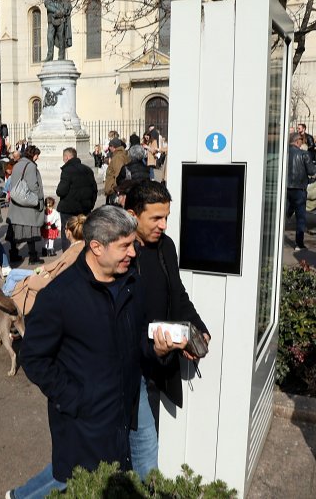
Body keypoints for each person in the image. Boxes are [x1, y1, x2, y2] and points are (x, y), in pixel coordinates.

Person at [9, 206, 185, 498]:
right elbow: (33, 357)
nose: (133, 252)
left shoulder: (133, 284)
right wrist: (74, 398)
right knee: (76, 480)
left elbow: (140, 337)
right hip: (84, 421)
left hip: (127, 408)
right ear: (96, 247)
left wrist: (157, 348)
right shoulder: (59, 296)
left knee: (129, 477)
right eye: (125, 246)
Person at [123, 180, 211, 480]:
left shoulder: (165, 246)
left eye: (166, 217)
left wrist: (197, 328)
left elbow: (177, 293)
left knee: (139, 448)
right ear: (133, 215)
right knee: (142, 453)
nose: (163, 225)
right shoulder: (119, 252)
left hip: (156, 365)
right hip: (126, 367)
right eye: (156, 218)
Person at [6, 145, 45, 265]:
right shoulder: (31, 166)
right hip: (27, 203)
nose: (37, 157)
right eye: (37, 154)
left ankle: (13, 254)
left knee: (15, 229)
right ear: (32, 154)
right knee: (30, 229)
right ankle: (33, 257)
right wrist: (38, 198)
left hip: (16, 201)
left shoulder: (17, 164)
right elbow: (33, 185)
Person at [55, 147, 97, 251]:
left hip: (69, 209)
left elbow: (61, 191)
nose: (64, 160)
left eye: (64, 157)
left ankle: (68, 256)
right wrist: (90, 204)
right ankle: (84, 254)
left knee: (68, 233)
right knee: (83, 232)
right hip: (85, 208)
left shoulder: (67, 170)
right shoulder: (88, 169)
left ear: (67, 157)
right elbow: (94, 190)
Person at [286, 135, 316, 252]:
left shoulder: (285, 153)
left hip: (286, 188)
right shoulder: (304, 154)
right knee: (300, 217)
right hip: (299, 189)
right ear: (297, 141)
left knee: (285, 212)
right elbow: (312, 171)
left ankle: (277, 235)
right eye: (301, 141)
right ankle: (299, 244)